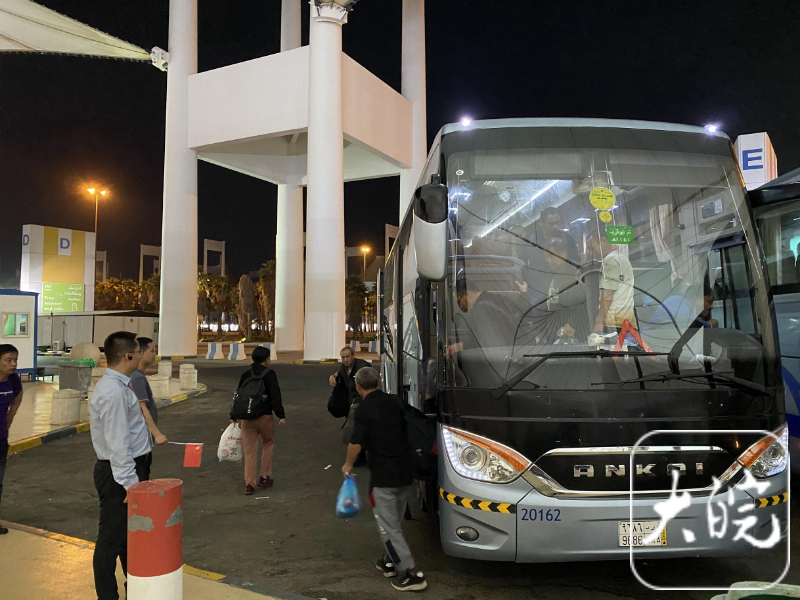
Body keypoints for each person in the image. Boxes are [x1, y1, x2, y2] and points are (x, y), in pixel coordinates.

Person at [341, 367, 427, 592]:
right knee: (394, 522)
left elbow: (356, 442)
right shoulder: (395, 401)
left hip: (383, 477)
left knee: (388, 528)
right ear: (379, 382)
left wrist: (348, 464)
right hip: (405, 472)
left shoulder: (364, 409)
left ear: (358, 387)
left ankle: (411, 572)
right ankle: (390, 561)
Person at [90, 331, 152, 600]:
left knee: (128, 537)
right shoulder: (113, 392)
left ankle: (134, 589)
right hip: (119, 474)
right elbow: (117, 443)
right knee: (111, 540)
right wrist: (130, 484)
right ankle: (108, 596)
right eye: (139, 352)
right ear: (128, 356)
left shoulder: (121, 384)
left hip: (129, 469)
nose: (142, 356)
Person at [236, 346, 285, 495]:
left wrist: (234, 415)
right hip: (264, 416)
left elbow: (239, 396)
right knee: (268, 443)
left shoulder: (246, 374)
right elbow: (275, 395)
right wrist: (281, 414)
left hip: (247, 418)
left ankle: (249, 484)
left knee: (249, 451)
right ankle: (264, 477)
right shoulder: (270, 374)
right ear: (266, 359)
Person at [587, 232, 637, 337]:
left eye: (592, 248)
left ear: (603, 241)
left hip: (615, 321)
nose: (591, 253)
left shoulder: (610, 261)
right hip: (626, 317)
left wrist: (599, 322)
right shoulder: (621, 257)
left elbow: (607, 295)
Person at [329, 346, 369, 467]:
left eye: (347, 357)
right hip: (351, 401)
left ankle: (358, 455)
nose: (345, 359)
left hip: (362, 401)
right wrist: (334, 376)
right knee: (359, 429)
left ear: (353, 356)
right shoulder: (344, 368)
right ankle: (361, 455)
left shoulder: (362, 367)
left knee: (352, 430)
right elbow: (339, 374)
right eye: (343, 357)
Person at [0, 344, 23, 536]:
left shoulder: (13, 380)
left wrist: (10, 417)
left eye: (15, 360)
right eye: (8, 360)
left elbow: (18, 395)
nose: (13, 364)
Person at [130, 337, 168, 449]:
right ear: (141, 353)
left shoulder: (134, 375)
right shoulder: (137, 377)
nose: (154, 354)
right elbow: (141, 407)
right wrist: (157, 434)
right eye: (152, 351)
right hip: (139, 442)